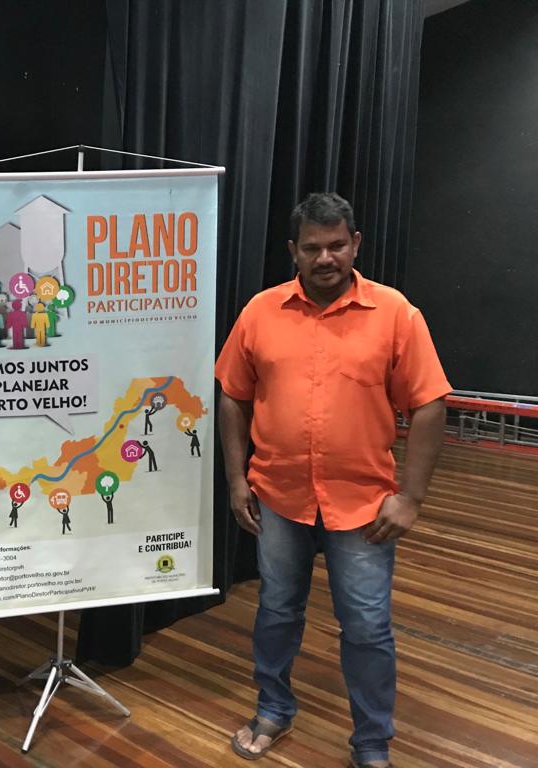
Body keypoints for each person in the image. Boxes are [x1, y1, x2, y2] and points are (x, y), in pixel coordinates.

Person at [215, 193, 449, 768]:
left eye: (337, 245)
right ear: (293, 251)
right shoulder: (260, 312)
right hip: (279, 496)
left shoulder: (396, 314)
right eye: (313, 247)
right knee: (276, 610)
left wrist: (410, 497)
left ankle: (371, 742)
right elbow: (232, 396)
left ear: (356, 244)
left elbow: (429, 404)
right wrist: (236, 479)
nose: (326, 258)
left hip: (363, 505)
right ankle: (273, 708)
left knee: (367, 626)